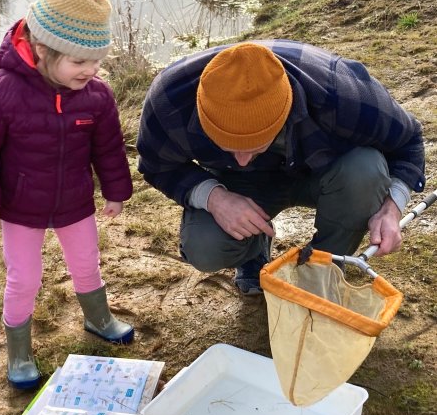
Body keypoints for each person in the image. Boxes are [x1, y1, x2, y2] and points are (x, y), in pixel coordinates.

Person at [136, 40, 425, 295]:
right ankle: (253, 254)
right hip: (240, 185)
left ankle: (323, 266)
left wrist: (392, 207)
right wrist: (214, 197)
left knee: (367, 169)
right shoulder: (169, 101)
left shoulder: (341, 93)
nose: (241, 159)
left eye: (254, 147)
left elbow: (409, 141)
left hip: (327, 172)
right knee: (205, 246)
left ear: (286, 112)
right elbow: (157, 166)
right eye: (228, 146)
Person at [0, 0, 134, 390]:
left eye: (96, 61)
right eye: (79, 62)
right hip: (20, 207)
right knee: (25, 278)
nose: (90, 71)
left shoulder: (96, 96)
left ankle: (98, 318)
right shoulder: (1, 93)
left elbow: (108, 148)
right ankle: (19, 351)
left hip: (74, 201)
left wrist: (115, 190)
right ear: (42, 51)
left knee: (87, 263)